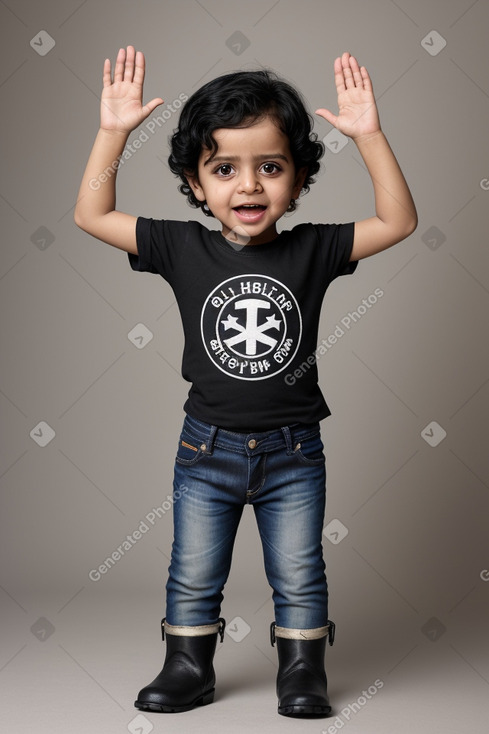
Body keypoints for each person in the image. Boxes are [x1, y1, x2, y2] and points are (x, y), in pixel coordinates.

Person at [75, 46, 417, 718]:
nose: (249, 186)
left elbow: (398, 222)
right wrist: (113, 131)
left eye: (270, 167)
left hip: (293, 452)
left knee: (298, 574)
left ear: (297, 179)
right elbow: (91, 215)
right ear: (195, 184)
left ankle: (301, 672)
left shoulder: (314, 248)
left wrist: (369, 136)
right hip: (206, 450)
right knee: (194, 573)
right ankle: (187, 667)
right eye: (224, 169)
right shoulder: (178, 246)